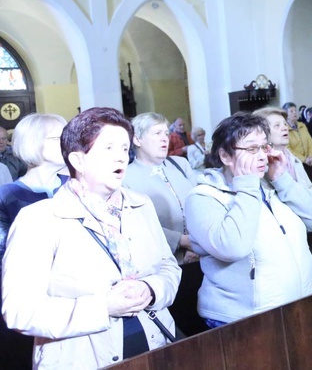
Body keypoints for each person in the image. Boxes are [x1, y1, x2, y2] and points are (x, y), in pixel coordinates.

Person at [2, 107, 181, 369]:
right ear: (78, 160)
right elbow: (21, 312)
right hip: (82, 357)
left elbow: (169, 266)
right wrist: (105, 307)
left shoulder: (140, 205)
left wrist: (152, 289)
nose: (120, 157)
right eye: (108, 148)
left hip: (155, 346)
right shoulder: (39, 220)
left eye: (123, 148)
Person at [184, 111, 312, 326]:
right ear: (225, 156)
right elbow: (233, 247)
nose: (262, 156)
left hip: (298, 303)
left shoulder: (272, 182)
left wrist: (283, 180)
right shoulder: (203, 197)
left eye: (264, 146)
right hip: (243, 318)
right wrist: (247, 185)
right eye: (252, 148)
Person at [0, 113, 68, 370]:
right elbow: (4, 259)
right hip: (33, 304)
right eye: (57, 138)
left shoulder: (76, 188)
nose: (67, 143)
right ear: (33, 143)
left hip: (76, 300)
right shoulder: (7, 196)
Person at [123, 112, 198, 264]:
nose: (165, 138)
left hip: (201, 256)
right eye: (157, 133)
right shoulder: (125, 177)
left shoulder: (180, 164)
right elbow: (135, 225)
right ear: (137, 139)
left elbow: (201, 206)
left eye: (166, 133)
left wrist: (198, 245)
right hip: (164, 262)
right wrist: (181, 241)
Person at [283, 102, 312, 166]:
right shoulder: (284, 128)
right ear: (285, 114)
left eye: (295, 110)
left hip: (309, 161)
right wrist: (304, 160)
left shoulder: (302, 125)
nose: (294, 113)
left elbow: (310, 142)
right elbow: (287, 149)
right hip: (295, 163)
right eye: (291, 111)